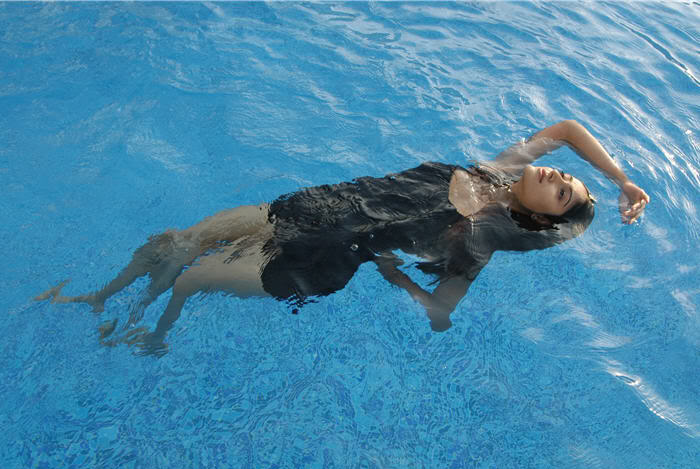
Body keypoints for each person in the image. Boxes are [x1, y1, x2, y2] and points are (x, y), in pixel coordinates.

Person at [36, 120, 649, 356]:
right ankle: (99, 298)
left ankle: (149, 335)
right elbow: (568, 129)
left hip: (320, 259)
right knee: (176, 240)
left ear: (540, 221)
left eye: (563, 192)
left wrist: (398, 276)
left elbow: (441, 312)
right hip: (314, 206)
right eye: (566, 176)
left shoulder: (478, 240)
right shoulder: (497, 169)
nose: (559, 177)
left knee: (192, 277)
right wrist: (620, 181)